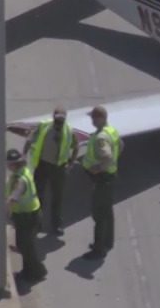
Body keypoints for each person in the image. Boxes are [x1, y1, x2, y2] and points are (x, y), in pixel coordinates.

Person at [24, 106, 77, 235]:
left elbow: (76, 146)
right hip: (42, 165)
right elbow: (30, 139)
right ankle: (37, 224)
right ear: (53, 118)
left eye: (61, 121)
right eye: (57, 121)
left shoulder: (69, 131)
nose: (59, 124)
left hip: (59, 168)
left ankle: (56, 225)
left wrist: (71, 162)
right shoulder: (44, 126)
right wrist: (23, 154)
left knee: (57, 198)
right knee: (38, 196)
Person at [81, 106, 122, 260]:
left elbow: (107, 156)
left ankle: (99, 249)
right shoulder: (111, 131)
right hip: (110, 177)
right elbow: (121, 146)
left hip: (102, 180)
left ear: (101, 118)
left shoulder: (100, 138)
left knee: (99, 215)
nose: (92, 120)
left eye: (94, 117)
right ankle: (108, 242)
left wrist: (96, 169)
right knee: (107, 212)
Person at [5, 149, 47, 283]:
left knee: (26, 247)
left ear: (12, 165)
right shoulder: (25, 171)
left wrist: (6, 213)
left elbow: (15, 196)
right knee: (24, 245)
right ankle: (29, 271)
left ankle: (37, 272)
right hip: (31, 214)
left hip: (26, 217)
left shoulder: (20, 180)